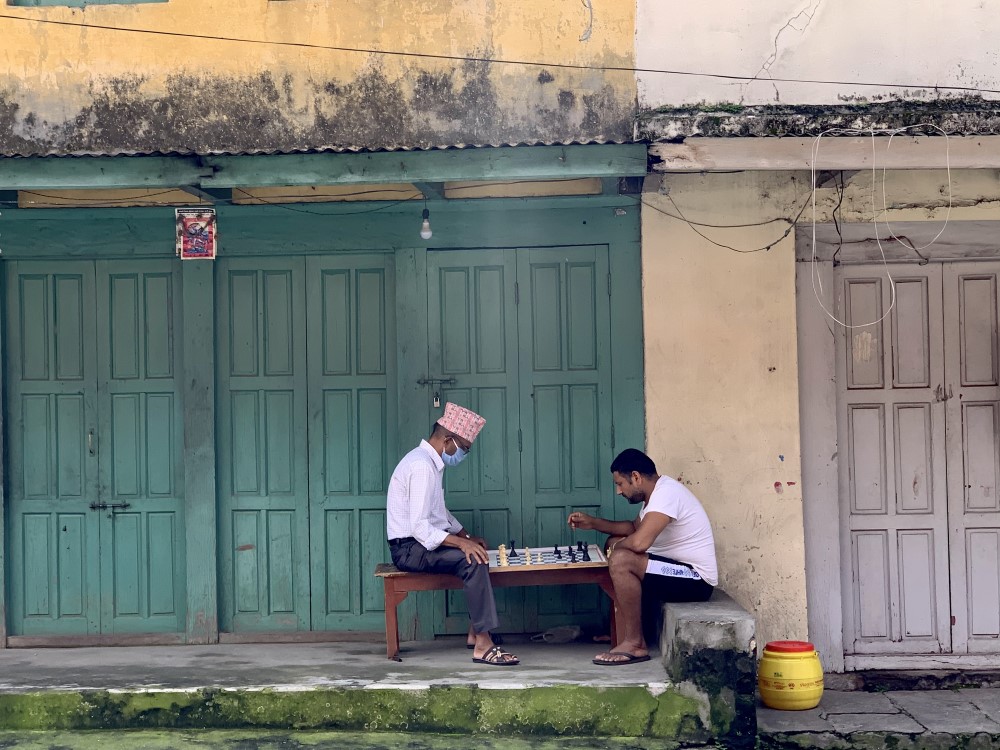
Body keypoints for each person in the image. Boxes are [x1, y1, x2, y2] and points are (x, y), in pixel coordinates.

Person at [386, 402, 520, 666]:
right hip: (410, 549)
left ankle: (475, 631)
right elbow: (420, 527)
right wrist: (461, 545)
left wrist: (465, 536)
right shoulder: (422, 466)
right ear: (448, 440)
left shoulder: (430, 463)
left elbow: (440, 512)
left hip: (420, 545)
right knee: (473, 560)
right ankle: (483, 644)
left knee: (475, 551)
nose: (463, 454)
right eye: (464, 448)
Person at [568, 448, 717, 666]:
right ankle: (625, 630)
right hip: (677, 572)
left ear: (636, 477)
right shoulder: (657, 495)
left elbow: (639, 542)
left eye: (620, 484)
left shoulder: (666, 493)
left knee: (621, 559)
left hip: (695, 579)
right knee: (615, 546)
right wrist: (594, 523)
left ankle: (635, 643)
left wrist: (616, 549)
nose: (619, 491)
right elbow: (632, 528)